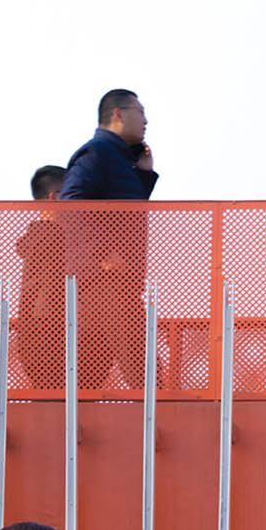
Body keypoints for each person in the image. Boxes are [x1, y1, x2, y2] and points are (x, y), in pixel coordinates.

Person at [57, 91, 156, 395]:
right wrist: (103, 254)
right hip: (105, 283)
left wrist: (144, 175)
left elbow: (123, 210)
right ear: (118, 114)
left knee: (87, 376)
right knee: (145, 373)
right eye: (140, 112)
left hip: (113, 282)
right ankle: (167, 425)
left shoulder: (119, 158)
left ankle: (64, 431)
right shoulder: (98, 152)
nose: (146, 120)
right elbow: (70, 203)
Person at [14, 164, 66, 394]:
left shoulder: (35, 238)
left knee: (48, 407)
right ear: (54, 198)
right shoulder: (54, 237)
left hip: (33, 336)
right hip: (50, 336)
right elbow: (51, 289)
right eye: (71, 195)